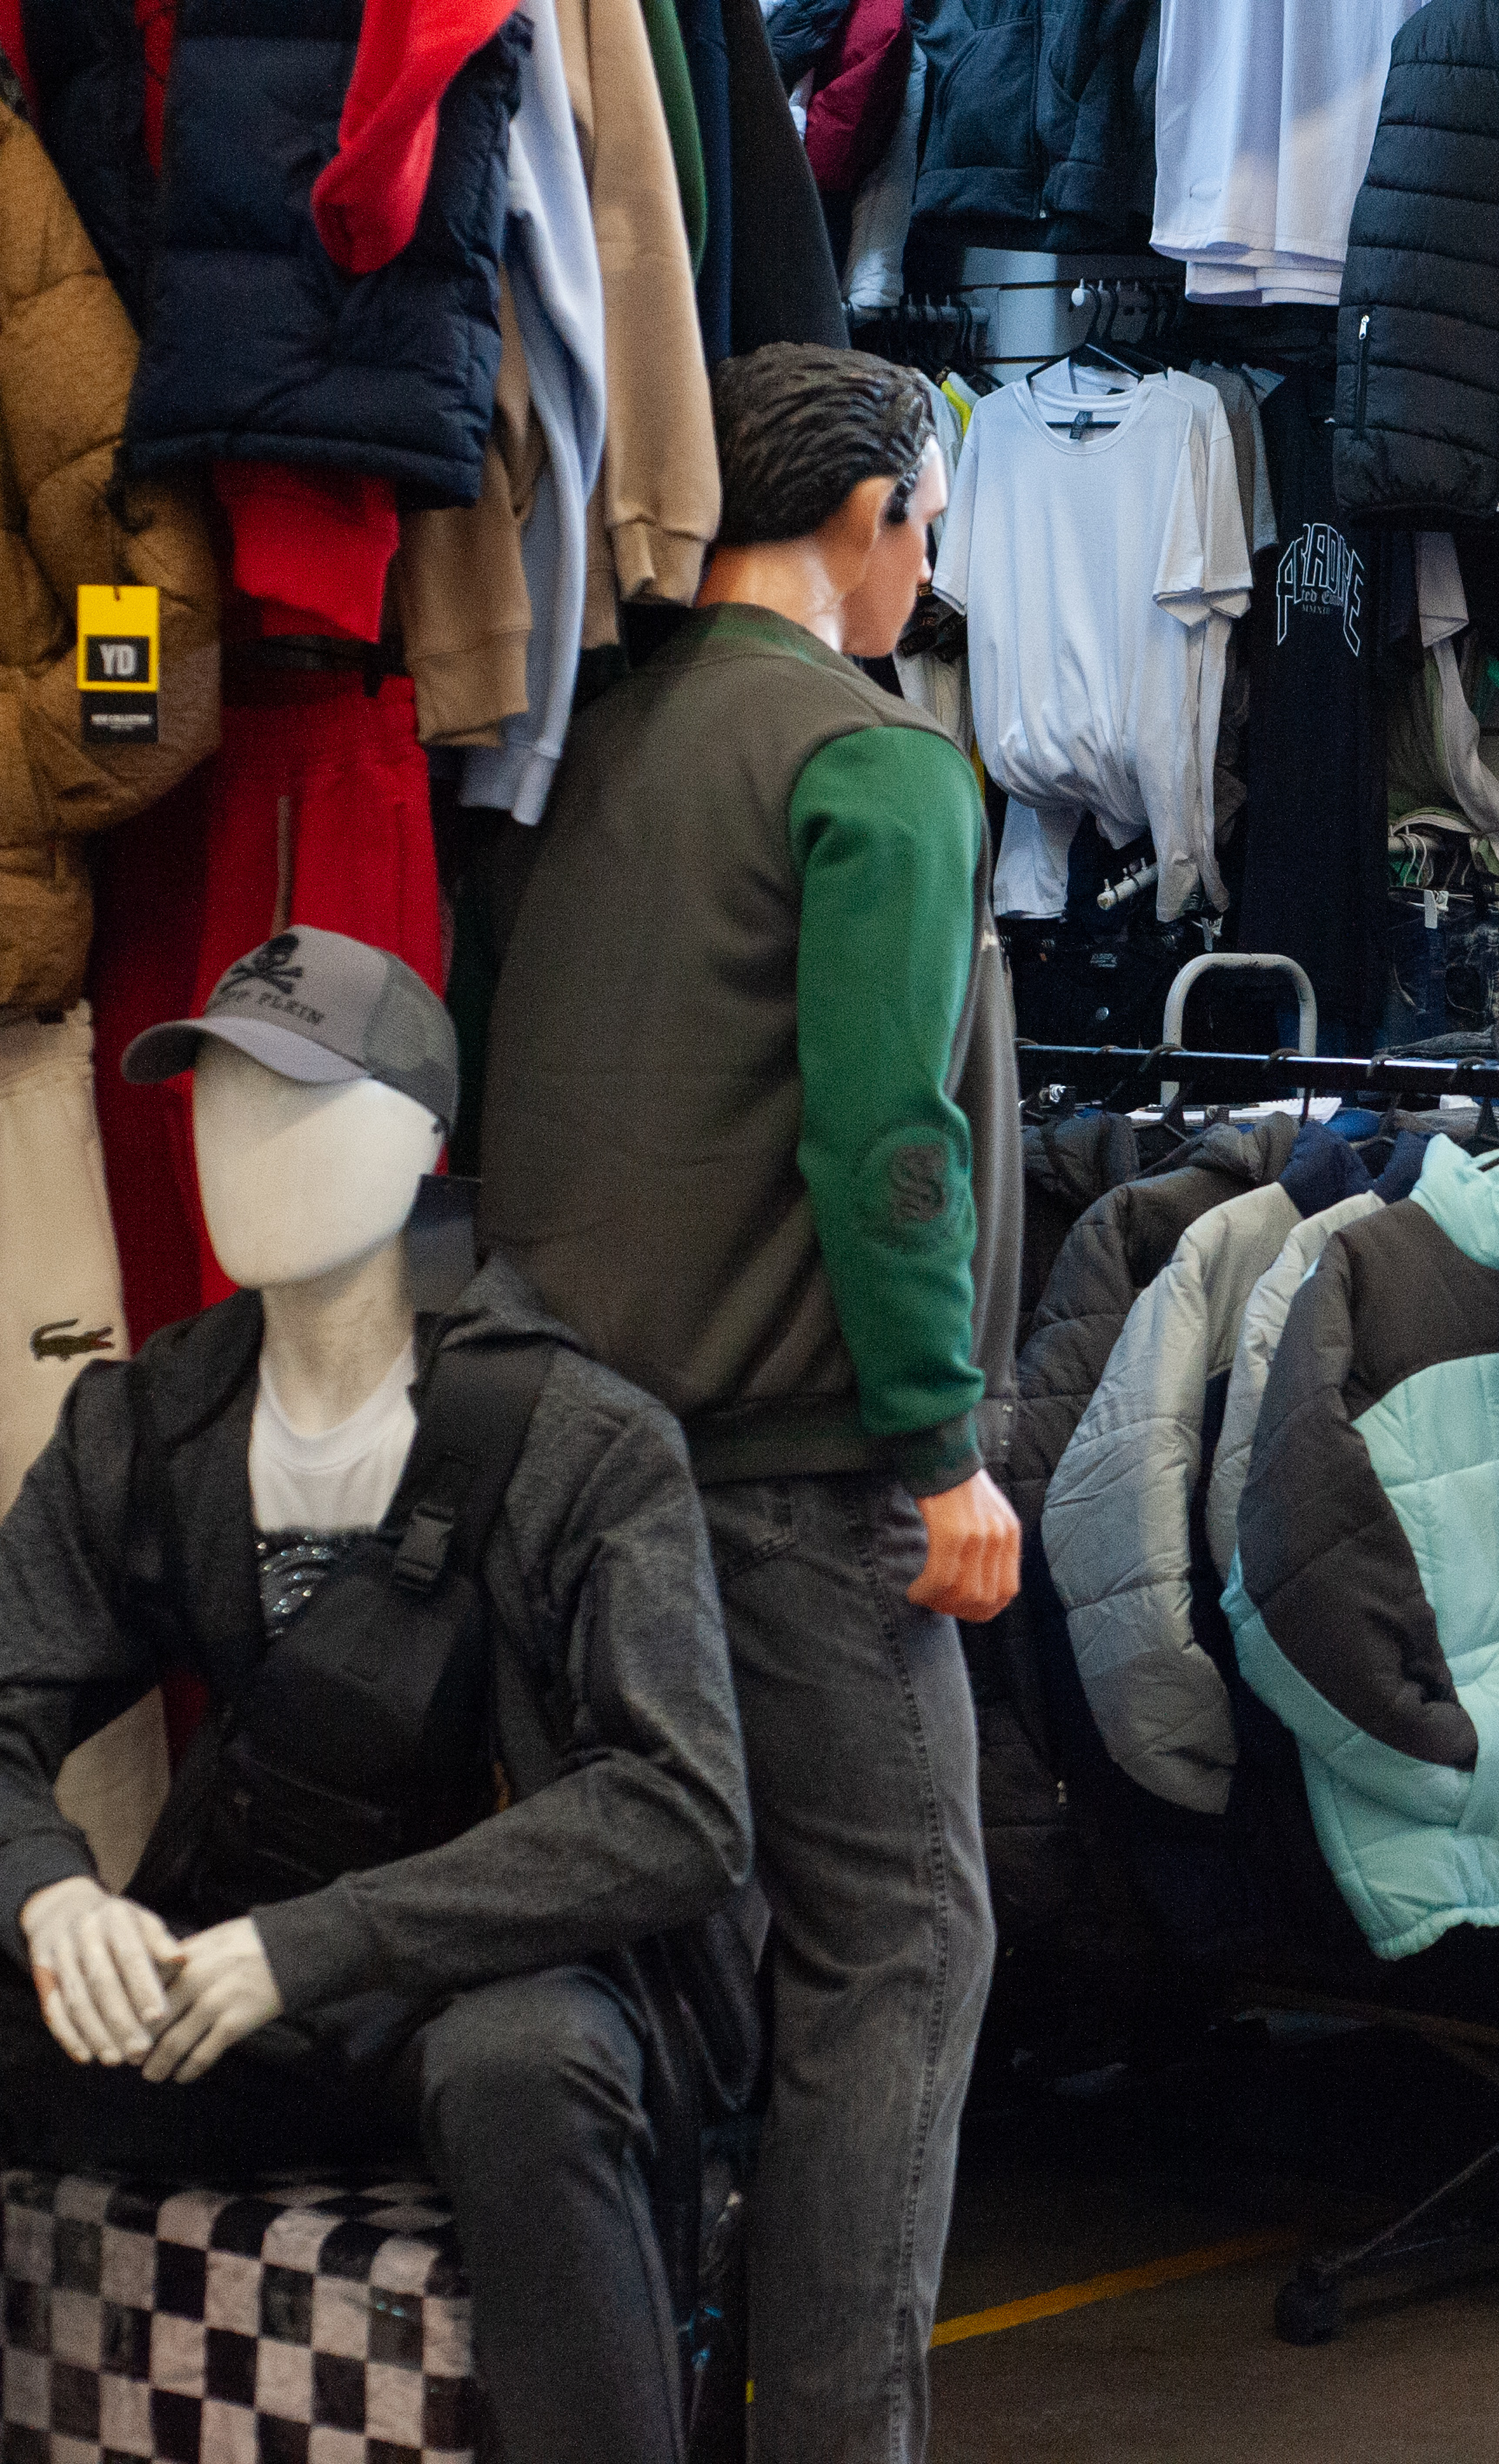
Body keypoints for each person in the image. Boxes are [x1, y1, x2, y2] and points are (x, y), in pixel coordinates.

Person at [0, 934, 750, 2464]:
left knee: (525, 2071)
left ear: (419, 1138)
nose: (238, 1142)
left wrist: (319, 1943)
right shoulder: (149, 1420)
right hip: (233, 1988)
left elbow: (680, 1807)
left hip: (494, 1981)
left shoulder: (586, 1440)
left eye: (297, 1098)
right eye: (212, 1097)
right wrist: (50, 1896)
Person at [479, 345, 1019, 2461]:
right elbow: (889, 1132)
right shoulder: (873, 762)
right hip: (801, 1478)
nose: (928, 575)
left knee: (672, 1963)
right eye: (929, 535)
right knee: (900, 1945)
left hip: (560, 1460)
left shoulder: (587, 743)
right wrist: (945, 1446)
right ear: (869, 516)